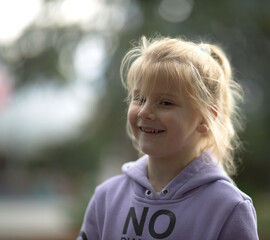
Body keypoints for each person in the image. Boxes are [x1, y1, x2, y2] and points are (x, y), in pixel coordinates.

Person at [77, 36, 259, 240]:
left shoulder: (229, 207)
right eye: (139, 98)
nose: (144, 112)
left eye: (165, 103)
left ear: (205, 118)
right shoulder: (107, 197)